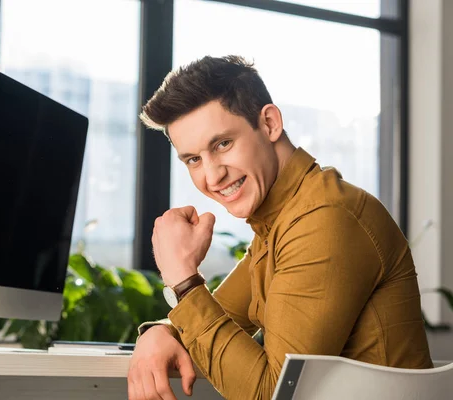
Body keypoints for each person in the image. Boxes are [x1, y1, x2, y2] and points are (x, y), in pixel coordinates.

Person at [127, 55, 433, 400]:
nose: (212, 177)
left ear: (270, 123)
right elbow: (217, 316)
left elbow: (271, 394)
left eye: (223, 144)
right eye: (194, 160)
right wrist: (157, 332)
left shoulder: (323, 218)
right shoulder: (281, 220)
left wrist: (183, 279)